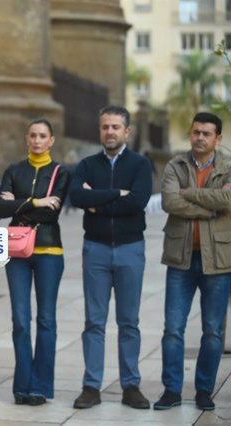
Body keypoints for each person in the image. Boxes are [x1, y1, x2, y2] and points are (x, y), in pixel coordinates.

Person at [69, 105, 152, 410]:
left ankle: (131, 385)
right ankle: (92, 386)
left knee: (129, 322)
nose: (110, 132)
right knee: (94, 322)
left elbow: (139, 201)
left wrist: (99, 199)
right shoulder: (87, 164)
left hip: (131, 249)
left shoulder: (141, 165)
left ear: (126, 131)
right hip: (96, 250)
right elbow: (77, 197)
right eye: (105, 127)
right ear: (100, 130)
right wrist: (118, 194)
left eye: (116, 127)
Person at [153, 112, 231, 411]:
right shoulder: (175, 164)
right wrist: (212, 205)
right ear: (190, 134)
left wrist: (192, 194)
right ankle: (171, 390)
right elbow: (170, 201)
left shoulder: (228, 166)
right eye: (196, 132)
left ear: (217, 138)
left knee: (212, 331)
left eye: (206, 133)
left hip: (219, 261)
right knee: (173, 328)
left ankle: (203, 391)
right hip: (181, 259)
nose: (200, 137)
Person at [0, 118, 70, 405]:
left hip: (50, 252)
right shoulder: (14, 169)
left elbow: (54, 213)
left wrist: (19, 203)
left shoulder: (60, 172)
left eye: (43, 136)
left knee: (47, 320)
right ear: (27, 138)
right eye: (33, 135)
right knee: (20, 321)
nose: (37, 140)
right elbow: (1, 206)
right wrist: (37, 202)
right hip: (18, 254)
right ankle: (22, 386)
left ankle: (40, 386)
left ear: (51, 140)